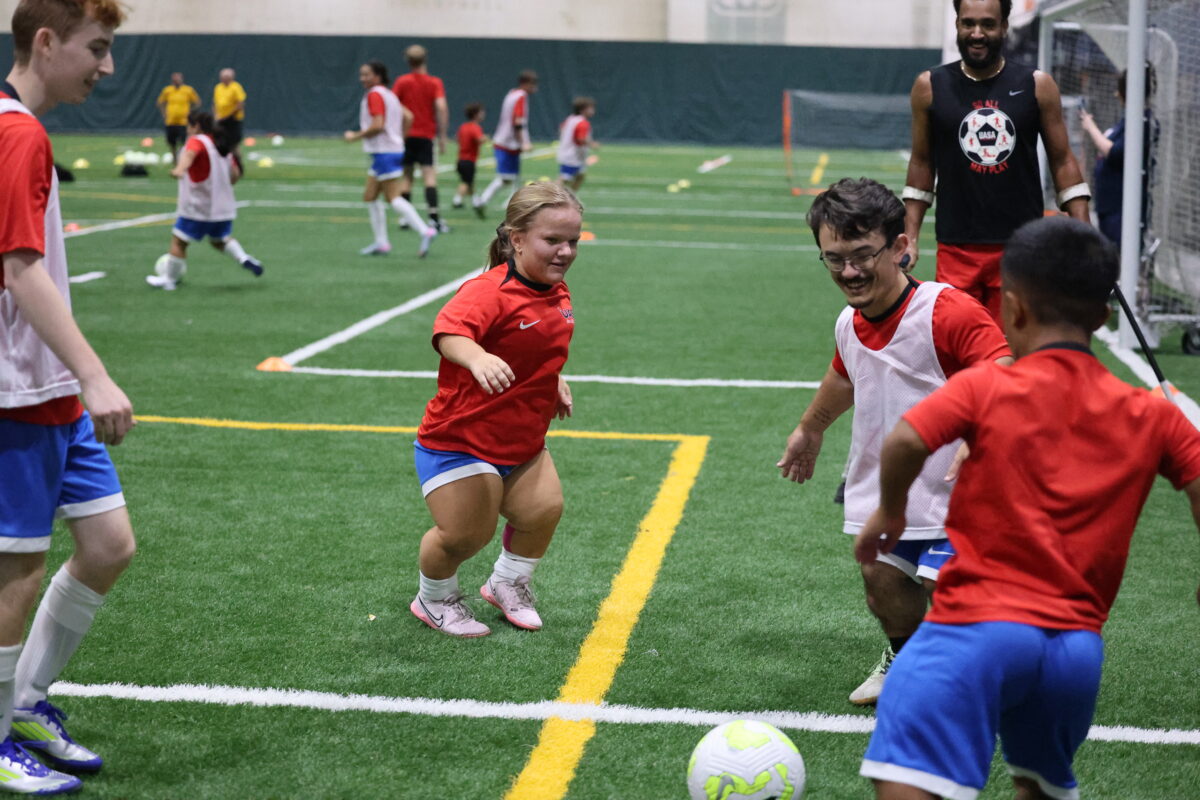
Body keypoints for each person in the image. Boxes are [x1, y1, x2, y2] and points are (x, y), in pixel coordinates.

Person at [855, 215, 1200, 800]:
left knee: (907, 781)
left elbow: (906, 440)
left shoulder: (986, 387)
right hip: (1074, 653)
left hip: (971, 629)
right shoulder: (1152, 414)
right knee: (1038, 786)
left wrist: (890, 513)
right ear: (1103, 316)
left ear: (1011, 308)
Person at [777, 178, 1011, 706]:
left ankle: (981, 673)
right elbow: (844, 375)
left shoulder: (945, 311)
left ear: (901, 246)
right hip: (899, 491)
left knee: (943, 585)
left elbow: (1003, 365)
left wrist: (984, 429)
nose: (849, 272)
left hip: (964, 489)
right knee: (880, 580)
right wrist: (811, 429)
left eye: (862, 255)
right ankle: (905, 658)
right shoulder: (849, 321)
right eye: (834, 259)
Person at [1, 0, 137, 793]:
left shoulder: (20, 127)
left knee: (108, 544)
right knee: (17, 572)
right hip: (20, 390)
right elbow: (21, 269)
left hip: (48, 388)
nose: (106, 66)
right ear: (46, 42)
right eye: (98, 47)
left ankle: (23, 699)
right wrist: (95, 374)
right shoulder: (19, 131)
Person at [411, 182, 582, 637]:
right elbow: (449, 333)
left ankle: (507, 582)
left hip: (521, 440)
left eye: (573, 241)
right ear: (517, 238)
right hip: (460, 441)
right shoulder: (489, 290)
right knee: (465, 535)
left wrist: (553, 378)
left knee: (542, 512)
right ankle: (433, 598)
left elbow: (536, 344)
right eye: (553, 240)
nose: (566, 251)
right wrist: (476, 357)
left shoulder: (555, 289)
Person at [902, 0, 1091, 323]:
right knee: (956, 343)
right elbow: (921, 163)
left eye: (988, 24)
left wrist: (1085, 234)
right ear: (957, 25)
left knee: (1013, 346)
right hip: (956, 250)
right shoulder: (929, 87)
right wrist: (911, 238)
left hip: (1021, 250)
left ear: (1004, 26)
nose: (977, 33)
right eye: (968, 23)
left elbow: (1062, 161)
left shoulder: (1038, 85)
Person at [146, 109, 263, 290]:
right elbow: (235, 175)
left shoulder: (197, 140)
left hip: (198, 206)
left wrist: (180, 169)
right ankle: (243, 258)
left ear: (196, 126)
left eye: (188, 126)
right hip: (223, 207)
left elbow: (190, 154)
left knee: (179, 241)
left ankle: (169, 280)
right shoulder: (220, 143)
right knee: (219, 240)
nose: (187, 130)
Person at [343, 61, 437, 258]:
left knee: (393, 198)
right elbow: (408, 116)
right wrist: (399, 138)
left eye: (366, 74)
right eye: (361, 74)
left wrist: (355, 136)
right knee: (370, 196)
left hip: (384, 152)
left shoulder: (375, 94)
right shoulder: (390, 94)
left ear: (378, 76)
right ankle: (381, 242)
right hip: (388, 151)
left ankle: (425, 231)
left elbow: (378, 125)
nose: (362, 78)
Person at [1080, 64, 1158, 247]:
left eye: (1120, 90)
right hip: (1110, 206)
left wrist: (1091, 127)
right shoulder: (1129, 121)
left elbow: (1115, 153)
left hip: (1121, 208)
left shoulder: (1144, 122)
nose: (1116, 94)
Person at [391, 45, 450, 233]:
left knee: (406, 177)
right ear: (425, 59)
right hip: (426, 135)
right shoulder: (434, 82)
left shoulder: (402, 82)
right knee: (429, 177)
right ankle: (434, 218)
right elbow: (441, 107)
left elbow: (392, 104)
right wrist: (442, 136)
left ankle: (405, 218)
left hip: (406, 136)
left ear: (408, 61)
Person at [474, 70, 538, 218]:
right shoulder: (521, 96)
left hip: (508, 142)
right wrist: (524, 142)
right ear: (526, 83)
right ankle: (482, 201)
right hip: (507, 143)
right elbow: (518, 121)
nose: (535, 88)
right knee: (505, 178)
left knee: (514, 177)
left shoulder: (511, 94)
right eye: (533, 84)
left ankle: (512, 205)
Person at [155, 71, 199, 163]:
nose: (176, 82)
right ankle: (174, 157)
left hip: (183, 121)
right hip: (171, 120)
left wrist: (190, 113)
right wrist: (164, 113)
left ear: (182, 80)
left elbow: (197, 102)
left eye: (178, 80)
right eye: (174, 80)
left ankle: (183, 156)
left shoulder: (188, 90)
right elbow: (160, 102)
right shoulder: (167, 90)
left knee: (184, 140)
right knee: (172, 141)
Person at [556, 96, 598, 193]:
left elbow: (561, 128)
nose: (593, 111)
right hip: (573, 155)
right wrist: (592, 144)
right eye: (590, 108)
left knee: (580, 176)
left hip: (568, 151)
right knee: (564, 178)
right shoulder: (582, 122)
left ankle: (571, 196)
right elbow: (581, 139)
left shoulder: (571, 119)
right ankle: (549, 195)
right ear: (582, 110)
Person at [452, 102, 486, 210]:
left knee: (469, 182)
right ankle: (457, 200)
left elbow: (457, 138)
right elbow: (479, 139)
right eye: (481, 112)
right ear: (475, 114)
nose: (483, 114)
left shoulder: (463, 126)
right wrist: (486, 138)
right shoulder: (475, 127)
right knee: (466, 182)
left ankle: (475, 201)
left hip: (460, 159)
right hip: (469, 160)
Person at [212, 67, 245, 151]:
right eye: (222, 77)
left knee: (234, 142)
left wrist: (228, 116)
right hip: (220, 119)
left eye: (226, 77)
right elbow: (215, 103)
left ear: (231, 77)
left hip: (233, 119)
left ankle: (236, 158)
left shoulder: (236, 87)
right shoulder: (218, 87)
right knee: (221, 141)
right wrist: (216, 115)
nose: (224, 79)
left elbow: (240, 104)